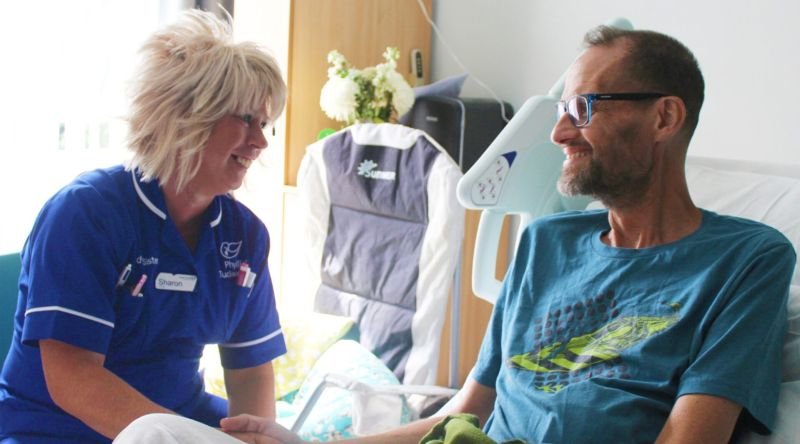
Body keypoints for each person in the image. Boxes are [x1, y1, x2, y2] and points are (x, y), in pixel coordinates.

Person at [112, 25, 797, 444]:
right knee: (153, 434)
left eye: (582, 108)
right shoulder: (547, 245)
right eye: (561, 110)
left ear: (665, 117)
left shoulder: (745, 260)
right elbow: (463, 412)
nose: (559, 132)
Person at [0, 8, 288, 443]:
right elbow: (72, 377)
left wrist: (250, 438)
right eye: (245, 119)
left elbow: (250, 372)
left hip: (175, 423)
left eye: (264, 124)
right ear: (185, 114)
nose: (261, 141)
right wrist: (183, 438)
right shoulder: (86, 215)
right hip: (58, 431)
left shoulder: (244, 236)